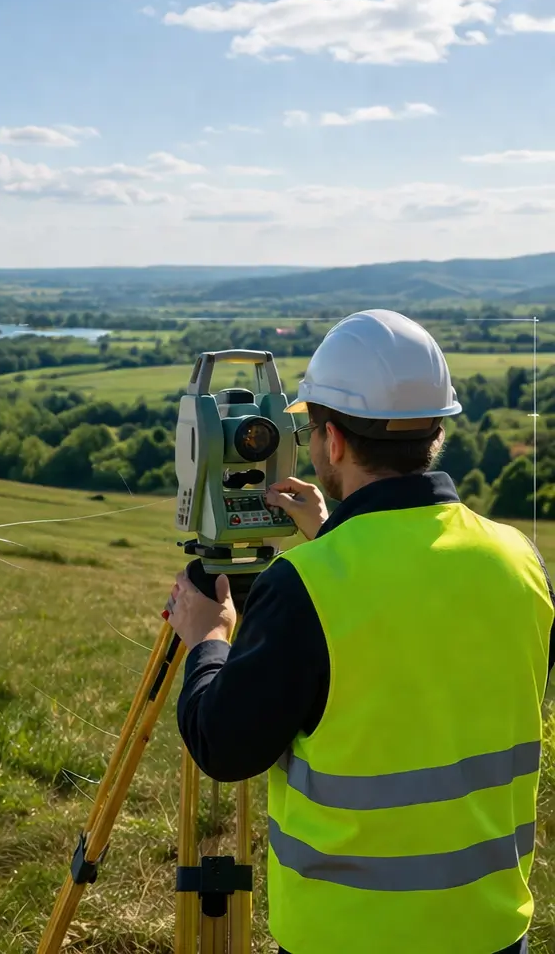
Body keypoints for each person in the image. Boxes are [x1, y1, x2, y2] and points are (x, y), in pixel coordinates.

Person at [164, 309, 555, 954]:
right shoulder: (521, 560)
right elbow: (429, 655)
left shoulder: (305, 588)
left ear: (334, 442)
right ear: (436, 432)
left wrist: (210, 637)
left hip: (347, 935)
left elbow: (223, 747)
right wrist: (335, 536)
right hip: (489, 929)